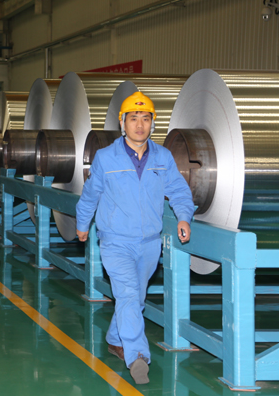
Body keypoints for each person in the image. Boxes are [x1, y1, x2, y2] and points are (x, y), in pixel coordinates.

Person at [75, 92, 194, 385]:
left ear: (153, 123)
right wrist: (82, 223)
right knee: (128, 294)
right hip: (115, 241)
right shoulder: (106, 158)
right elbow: (90, 194)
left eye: (145, 119)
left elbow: (179, 191)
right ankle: (137, 356)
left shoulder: (163, 157)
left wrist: (183, 216)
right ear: (122, 123)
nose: (140, 125)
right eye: (133, 119)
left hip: (150, 242)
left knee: (135, 298)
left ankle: (116, 338)